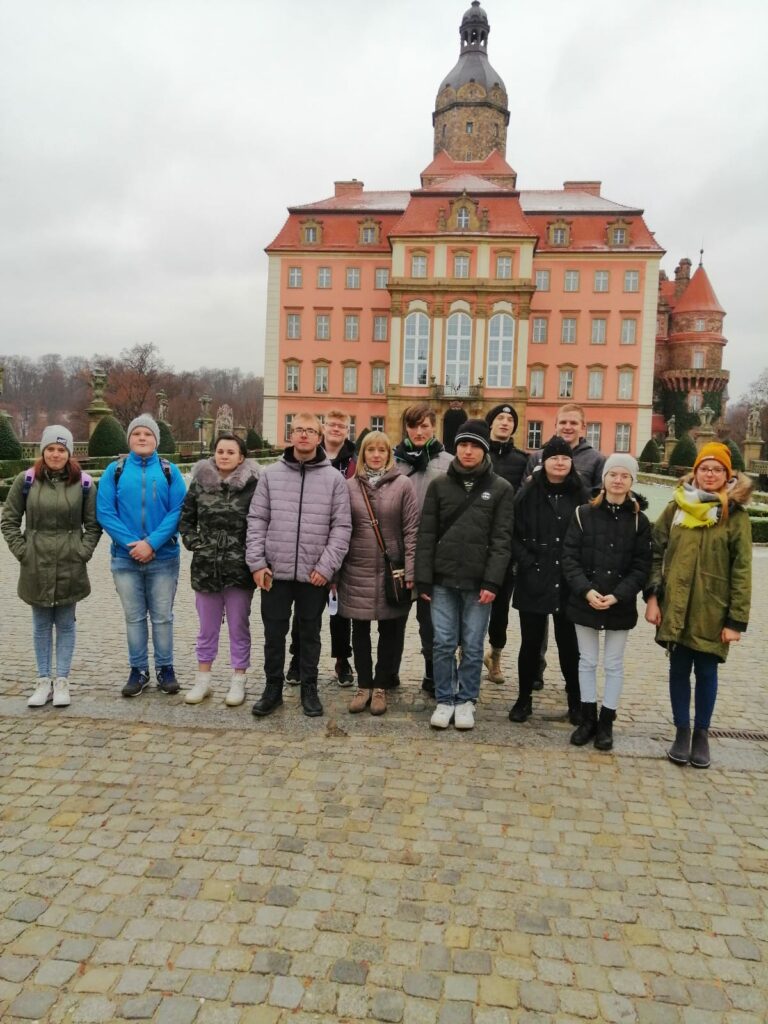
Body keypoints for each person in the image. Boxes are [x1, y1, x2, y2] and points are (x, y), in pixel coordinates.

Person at [644, 442, 752, 769]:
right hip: (676, 603)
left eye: (717, 469)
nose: (710, 474)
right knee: (678, 670)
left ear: (727, 475)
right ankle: (682, 731)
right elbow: (655, 552)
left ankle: (702, 733)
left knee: (706, 671)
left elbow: (742, 570)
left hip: (712, 608)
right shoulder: (677, 507)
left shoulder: (735, 516)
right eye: (705, 468)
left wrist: (735, 621)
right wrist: (653, 597)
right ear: (695, 471)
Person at [246, 412, 352, 718]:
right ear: (290, 435)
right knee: (274, 634)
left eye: (310, 431)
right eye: (298, 430)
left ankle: (309, 688)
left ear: (319, 437)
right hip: (274, 572)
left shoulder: (334, 479)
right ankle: (272, 689)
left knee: (310, 634)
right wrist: (257, 563)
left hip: (313, 574)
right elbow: (257, 520)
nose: (304, 435)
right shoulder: (270, 475)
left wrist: (326, 567)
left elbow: (341, 527)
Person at [415, 419, 513, 730]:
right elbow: (426, 534)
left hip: (478, 583)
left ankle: (467, 699)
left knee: (472, 645)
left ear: (485, 450)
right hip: (443, 580)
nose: (468, 451)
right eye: (463, 445)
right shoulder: (439, 485)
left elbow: (502, 539)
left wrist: (493, 581)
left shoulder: (500, 488)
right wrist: (423, 577)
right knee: (443, 643)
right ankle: (445, 698)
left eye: (474, 446)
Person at [1, 425, 101, 708]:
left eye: (61, 449)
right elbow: (9, 521)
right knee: (41, 625)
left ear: (69, 453)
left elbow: (93, 525)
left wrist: (82, 552)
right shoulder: (26, 481)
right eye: (51, 449)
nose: (56, 454)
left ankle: (62, 681)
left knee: (66, 624)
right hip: (36, 562)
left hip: (70, 562)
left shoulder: (84, 484)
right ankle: (43, 679)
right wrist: (23, 552)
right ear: (42, 451)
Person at [562, 454, 652, 750]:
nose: (618, 480)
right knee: (587, 661)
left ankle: (606, 721)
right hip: (585, 599)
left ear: (632, 481)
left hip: (619, 602)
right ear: (604, 479)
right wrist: (586, 591)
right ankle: (587, 717)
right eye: (613, 474)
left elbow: (641, 566)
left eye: (624, 476)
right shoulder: (582, 514)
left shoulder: (639, 520)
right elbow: (570, 558)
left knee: (613, 663)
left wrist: (618, 595)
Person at [96, 414, 187, 697]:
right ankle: (138, 670)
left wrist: (152, 544)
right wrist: (132, 544)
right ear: (129, 439)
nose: (142, 438)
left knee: (162, 617)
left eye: (148, 434)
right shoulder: (115, 471)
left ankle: (165, 668)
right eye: (137, 434)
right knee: (134, 618)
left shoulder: (170, 471)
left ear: (156, 440)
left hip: (164, 557)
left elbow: (178, 511)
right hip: (125, 558)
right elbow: (105, 512)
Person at [509, 435, 588, 725]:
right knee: (530, 643)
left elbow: (589, 533)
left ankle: (575, 701)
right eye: (554, 458)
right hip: (534, 576)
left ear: (571, 462)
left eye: (565, 458)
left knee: (569, 645)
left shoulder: (581, 493)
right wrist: (527, 561)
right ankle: (524, 699)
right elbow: (512, 531)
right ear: (545, 462)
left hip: (568, 579)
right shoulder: (528, 492)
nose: (560, 463)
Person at [339, 431, 420, 716]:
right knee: (359, 629)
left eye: (381, 450)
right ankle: (364, 685)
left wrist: (411, 570)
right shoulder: (349, 486)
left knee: (390, 631)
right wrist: (335, 573)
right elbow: (340, 529)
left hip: (391, 570)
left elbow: (412, 530)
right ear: (362, 454)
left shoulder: (403, 485)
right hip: (356, 567)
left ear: (389, 455)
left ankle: (381, 686)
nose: (376, 455)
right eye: (370, 450)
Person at [180, 433, 260, 707]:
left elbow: (261, 523)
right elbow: (186, 519)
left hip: (239, 567)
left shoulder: (253, 486)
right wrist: (195, 543)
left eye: (230, 452)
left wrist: (251, 553)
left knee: (239, 626)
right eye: (220, 451)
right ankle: (203, 679)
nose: (224, 456)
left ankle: (239, 679)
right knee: (207, 627)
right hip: (206, 566)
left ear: (241, 457)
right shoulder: (200, 483)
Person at [286, 410, 357, 687]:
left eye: (342, 425)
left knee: (340, 610)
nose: (336, 429)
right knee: (304, 609)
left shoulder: (354, 460)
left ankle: (342, 659)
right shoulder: (310, 455)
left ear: (348, 430)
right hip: (310, 541)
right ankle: (297, 658)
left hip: (343, 541)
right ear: (323, 429)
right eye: (332, 424)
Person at [394, 404, 453, 695]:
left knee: (431, 620)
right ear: (406, 428)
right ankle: (388, 672)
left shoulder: (448, 462)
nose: (419, 432)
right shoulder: (394, 461)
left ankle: (433, 673)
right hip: (398, 550)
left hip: (435, 552)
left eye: (424, 426)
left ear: (433, 427)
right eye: (413, 426)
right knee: (394, 617)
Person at [483, 402, 528, 684]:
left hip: (506, 545)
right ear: (491, 423)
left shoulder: (522, 461)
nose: (504, 423)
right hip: (476, 541)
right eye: (499, 418)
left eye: (509, 420)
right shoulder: (477, 453)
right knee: (471, 603)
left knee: (500, 608)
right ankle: (465, 652)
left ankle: (495, 655)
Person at [526, 403, 606, 492]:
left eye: (573, 423)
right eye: (563, 422)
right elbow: (525, 491)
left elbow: (599, 495)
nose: (567, 427)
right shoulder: (537, 457)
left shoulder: (597, 459)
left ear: (583, 427)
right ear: (556, 426)